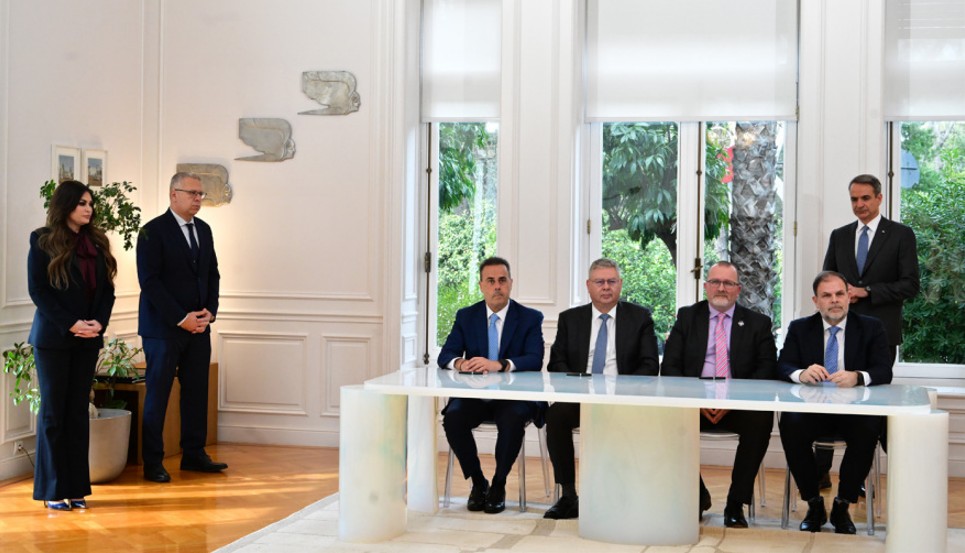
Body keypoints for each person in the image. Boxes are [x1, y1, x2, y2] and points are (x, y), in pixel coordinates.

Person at [818, 173, 919, 486]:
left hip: (881, 335)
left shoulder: (901, 235)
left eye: (865, 198)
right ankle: (820, 473)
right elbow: (826, 279)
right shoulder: (840, 235)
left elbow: (910, 285)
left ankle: (856, 479)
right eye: (854, 199)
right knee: (829, 398)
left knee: (867, 406)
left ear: (879, 198)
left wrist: (868, 291)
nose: (859, 204)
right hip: (839, 332)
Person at [661, 261, 777, 527]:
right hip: (694, 403)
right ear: (706, 286)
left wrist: (731, 400)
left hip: (738, 404)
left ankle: (736, 502)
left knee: (761, 420)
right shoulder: (687, 317)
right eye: (715, 282)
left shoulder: (758, 323)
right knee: (665, 420)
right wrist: (698, 400)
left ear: (738, 289)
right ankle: (697, 495)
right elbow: (670, 367)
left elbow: (767, 370)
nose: (721, 288)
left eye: (728, 283)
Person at [542, 258, 659, 520]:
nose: (606, 287)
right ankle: (568, 495)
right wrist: (580, 387)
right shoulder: (570, 319)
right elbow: (556, 363)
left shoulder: (640, 317)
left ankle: (628, 494)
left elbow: (650, 366)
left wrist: (619, 390)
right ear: (588, 285)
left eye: (611, 281)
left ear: (620, 284)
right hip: (581, 396)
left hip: (624, 399)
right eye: (600, 282)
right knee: (555, 416)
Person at [777, 271, 892, 534]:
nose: (835, 300)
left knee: (869, 427)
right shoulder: (799, 328)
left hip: (854, 412)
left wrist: (858, 376)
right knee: (790, 424)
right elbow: (783, 365)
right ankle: (813, 503)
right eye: (827, 295)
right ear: (816, 301)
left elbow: (884, 370)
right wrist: (801, 374)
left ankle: (843, 505)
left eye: (840, 294)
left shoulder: (871, 327)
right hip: (813, 411)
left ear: (849, 297)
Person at [27, 180, 117, 510]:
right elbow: (38, 290)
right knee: (54, 413)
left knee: (78, 412)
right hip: (53, 339)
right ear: (66, 205)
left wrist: (98, 323)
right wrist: (70, 323)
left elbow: (107, 291)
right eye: (82, 203)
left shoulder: (97, 242)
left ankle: (77, 488)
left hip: (88, 339)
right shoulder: (42, 240)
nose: (88, 208)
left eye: (90, 203)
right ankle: (52, 490)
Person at [438, 257, 544, 514]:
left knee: (512, 419)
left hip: (514, 397)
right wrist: (461, 363)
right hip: (475, 395)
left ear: (511, 283)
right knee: (453, 418)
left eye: (502, 280)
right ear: (481, 285)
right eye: (491, 281)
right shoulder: (466, 316)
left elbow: (535, 359)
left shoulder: (529, 317)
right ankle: (478, 482)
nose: (497, 286)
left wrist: (500, 364)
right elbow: (446, 355)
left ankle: (499, 483)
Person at [137, 172, 225, 483]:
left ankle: (194, 454)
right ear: (174, 194)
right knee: (158, 395)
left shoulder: (204, 229)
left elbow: (212, 274)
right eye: (192, 193)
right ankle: (153, 462)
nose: (198, 199)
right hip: (163, 330)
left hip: (199, 327)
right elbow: (150, 282)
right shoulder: (151, 231)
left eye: (201, 194)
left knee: (197, 392)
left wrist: (209, 312)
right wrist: (180, 317)